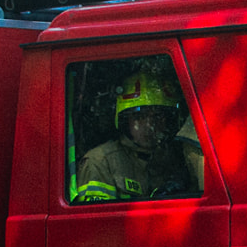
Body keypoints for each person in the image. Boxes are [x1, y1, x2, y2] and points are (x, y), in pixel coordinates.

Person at [73, 71, 197, 202]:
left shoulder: (176, 159)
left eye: (157, 116)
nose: (149, 125)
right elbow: (96, 220)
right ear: (125, 121)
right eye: (140, 116)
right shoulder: (100, 162)